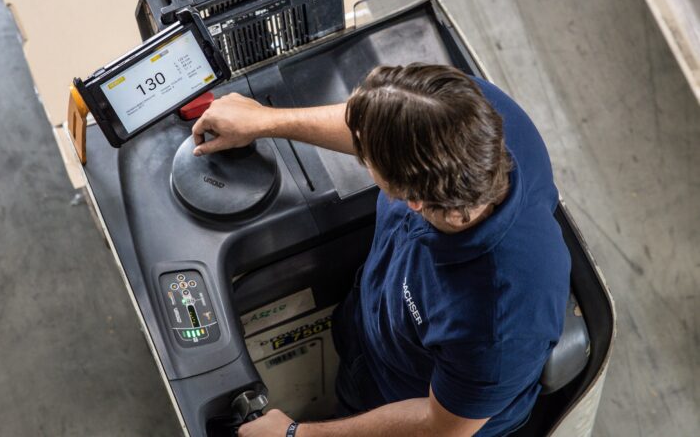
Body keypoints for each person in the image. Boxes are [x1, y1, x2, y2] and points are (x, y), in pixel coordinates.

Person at [192, 63, 570, 437]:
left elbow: (440, 427)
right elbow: (374, 124)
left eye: (367, 158)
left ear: (414, 200)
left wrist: (297, 435)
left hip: (403, 404)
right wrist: (264, 121)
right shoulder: (461, 111)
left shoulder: (499, 320)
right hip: (372, 329)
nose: (356, 141)